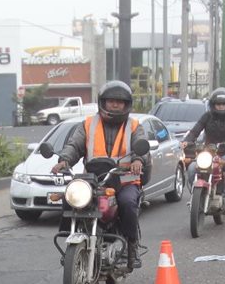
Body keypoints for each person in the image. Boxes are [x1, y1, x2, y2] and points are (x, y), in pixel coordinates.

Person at [50, 80, 150, 270]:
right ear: (102, 102)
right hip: (94, 179)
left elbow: (141, 144)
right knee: (70, 197)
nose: (115, 105)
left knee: (128, 203)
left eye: (119, 102)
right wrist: (64, 160)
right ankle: (68, 238)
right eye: (111, 100)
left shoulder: (134, 126)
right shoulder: (88, 124)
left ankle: (131, 246)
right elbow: (74, 145)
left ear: (126, 105)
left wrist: (138, 160)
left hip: (125, 179)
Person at [181, 88, 225, 207]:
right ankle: (194, 195)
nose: (221, 106)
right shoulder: (207, 117)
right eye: (218, 104)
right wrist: (187, 141)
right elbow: (195, 131)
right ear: (213, 104)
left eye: (223, 104)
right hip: (207, 153)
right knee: (191, 169)